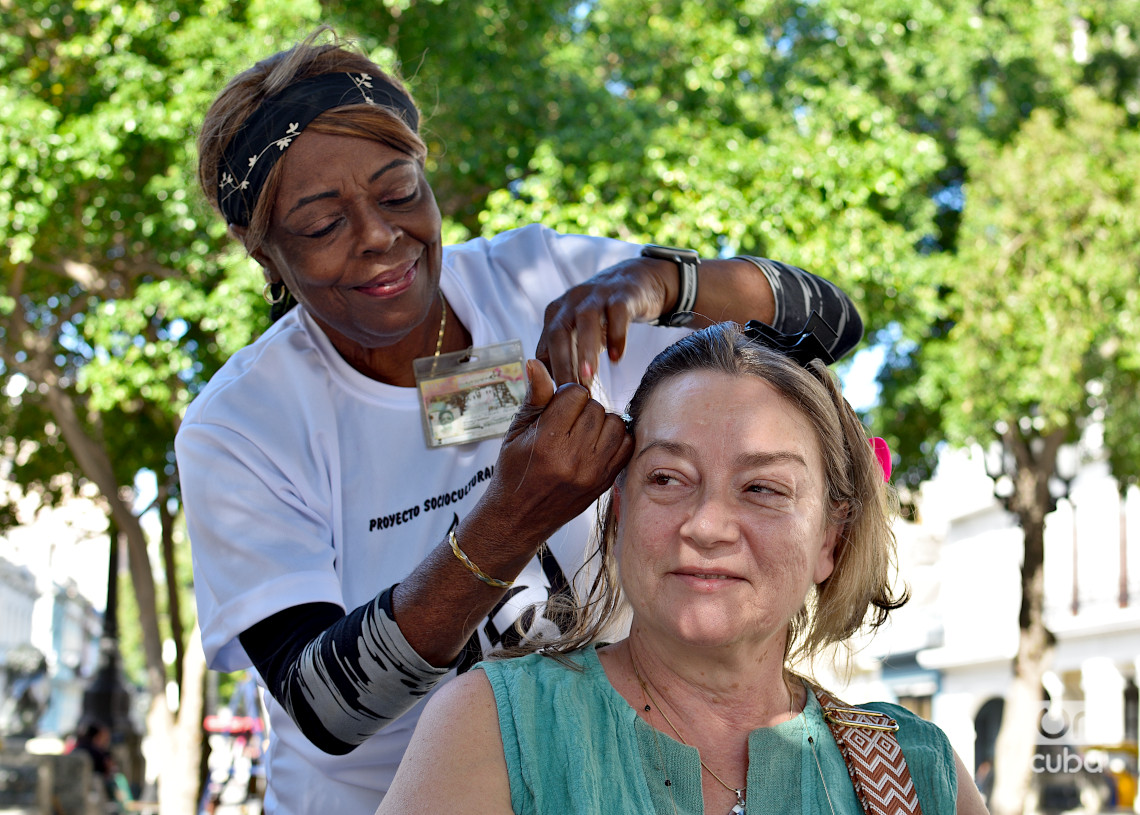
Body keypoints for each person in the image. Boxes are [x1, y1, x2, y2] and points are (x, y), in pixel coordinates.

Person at [176, 26, 863, 815]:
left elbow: (829, 326)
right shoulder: (244, 426)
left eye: (399, 191)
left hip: (604, 785)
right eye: (323, 225)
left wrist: (662, 282)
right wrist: (507, 518)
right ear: (261, 249)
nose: (378, 237)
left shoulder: (538, 283)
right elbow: (330, 708)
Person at [379, 321, 991, 815]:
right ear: (620, 513)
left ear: (832, 539)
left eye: (762, 488)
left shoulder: (913, 768)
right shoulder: (497, 725)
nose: (706, 525)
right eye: (667, 478)